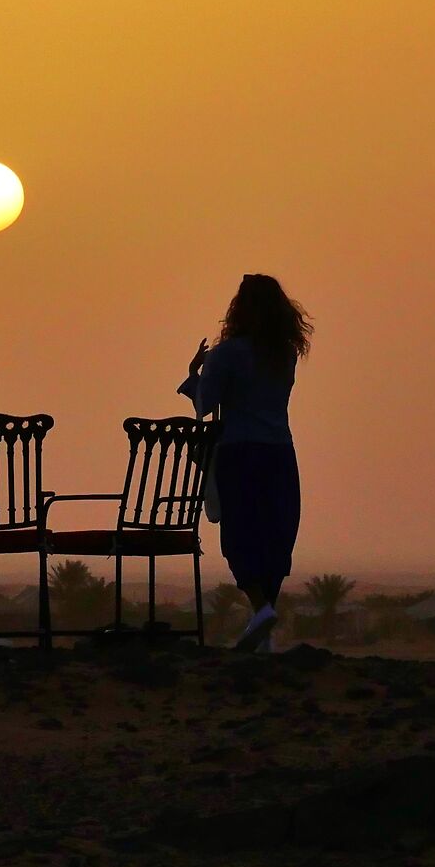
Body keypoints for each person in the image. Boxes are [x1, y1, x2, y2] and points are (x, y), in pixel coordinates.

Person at [179, 273, 311, 653]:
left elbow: (206, 404)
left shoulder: (227, 354)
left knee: (240, 536)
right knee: (275, 535)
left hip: (239, 453)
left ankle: (261, 610)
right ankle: (264, 627)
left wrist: (194, 374)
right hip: (280, 453)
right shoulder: (285, 354)